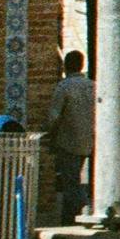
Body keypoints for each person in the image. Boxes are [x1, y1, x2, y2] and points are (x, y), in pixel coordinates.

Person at [48, 50, 96, 224]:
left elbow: (54, 116)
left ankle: (78, 212)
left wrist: (49, 134)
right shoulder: (93, 86)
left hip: (68, 140)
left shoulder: (64, 87)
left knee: (71, 181)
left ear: (65, 66)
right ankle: (77, 212)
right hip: (90, 140)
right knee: (79, 179)